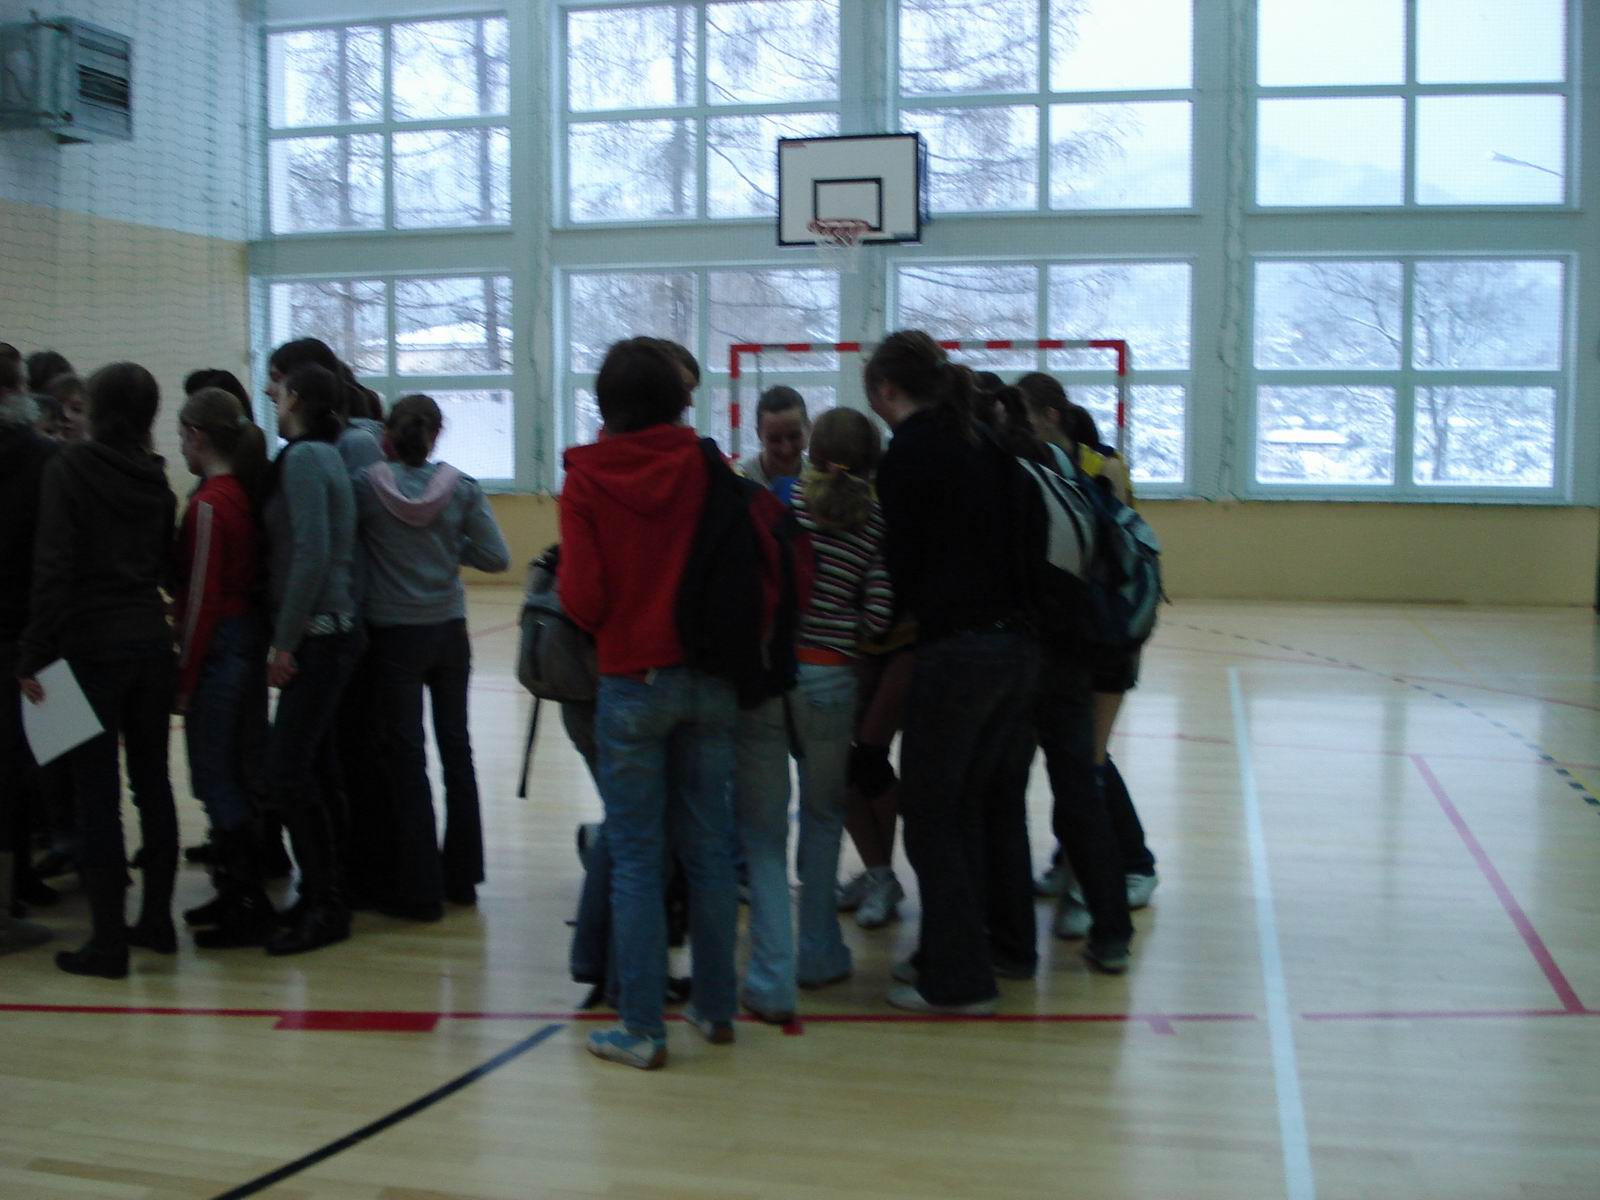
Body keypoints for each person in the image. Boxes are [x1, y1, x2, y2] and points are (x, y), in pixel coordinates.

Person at [560, 337, 741, 1070]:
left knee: (636, 857)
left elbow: (584, 599)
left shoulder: (586, 478)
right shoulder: (707, 464)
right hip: (709, 676)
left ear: (606, 405)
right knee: (710, 851)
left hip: (631, 677)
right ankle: (717, 1007)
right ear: (678, 400)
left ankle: (641, 1027)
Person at [867, 332, 1045, 1015]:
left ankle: (960, 981)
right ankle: (976, 951)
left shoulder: (911, 453)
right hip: (1018, 648)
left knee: (931, 816)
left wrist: (876, 630)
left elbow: (904, 568)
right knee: (970, 808)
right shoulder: (985, 440)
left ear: (886, 389)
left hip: (959, 652)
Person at [18, 363, 179, 979]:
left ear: (98, 410)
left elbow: (53, 568)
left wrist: (33, 651)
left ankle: (108, 942)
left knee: (96, 798)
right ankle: (157, 920)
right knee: (153, 785)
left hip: (89, 649)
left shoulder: (70, 470)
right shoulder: (156, 478)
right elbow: (164, 568)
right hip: (149, 645)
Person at [734, 407, 893, 1021]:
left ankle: (771, 973)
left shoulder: (783, 504)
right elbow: (878, 615)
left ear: (812, 451)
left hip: (770, 676)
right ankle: (821, 954)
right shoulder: (874, 521)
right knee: (823, 818)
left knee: (765, 831)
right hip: (832, 680)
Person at [355, 394, 511, 918]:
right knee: (456, 752)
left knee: (408, 759)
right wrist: (448, 545)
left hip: (394, 637)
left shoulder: (366, 487)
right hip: (448, 634)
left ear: (387, 435)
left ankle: (419, 889)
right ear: (436, 434)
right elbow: (496, 558)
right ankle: (463, 879)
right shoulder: (461, 489)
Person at [1016, 373, 1158, 919]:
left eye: (1026, 417)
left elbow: (1103, 553)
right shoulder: (1044, 467)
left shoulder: (1100, 468)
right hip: (1078, 632)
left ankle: (1133, 865)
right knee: (1072, 756)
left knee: (1088, 761)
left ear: (1050, 417)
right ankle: (1069, 858)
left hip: (1108, 631)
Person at [261, 361, 361, 955]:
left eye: (277, 388)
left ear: (295, 397)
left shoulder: (303, 459)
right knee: (315, 767)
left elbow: (311, 554)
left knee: (288, 771)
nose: (270, 394)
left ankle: (326, 904)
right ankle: (325, 893)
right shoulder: (322, 455)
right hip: (330, 633)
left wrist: (285, 641)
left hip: (319, 636)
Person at [172, 387, 276, 949]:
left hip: (221, 650)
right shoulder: (241, 495)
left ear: (197, 436)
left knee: (215, 776)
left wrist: (185, 678)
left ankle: (246, 902)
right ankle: (238, 893)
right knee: (234, 770)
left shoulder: (211, 504)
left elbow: (200, 601)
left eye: (182, 435)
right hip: (243, 644)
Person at [0, 350, 56, 954]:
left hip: (24, 636)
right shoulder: (44, 460)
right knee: (27, 771)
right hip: (29, 639)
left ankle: (20, 888)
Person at [739, 386, 809, 495]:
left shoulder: (822, 479)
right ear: (759, 435)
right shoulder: (741, 481)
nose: (786, 450)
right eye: (775, 439)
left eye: (794, 436)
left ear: (808, 428)